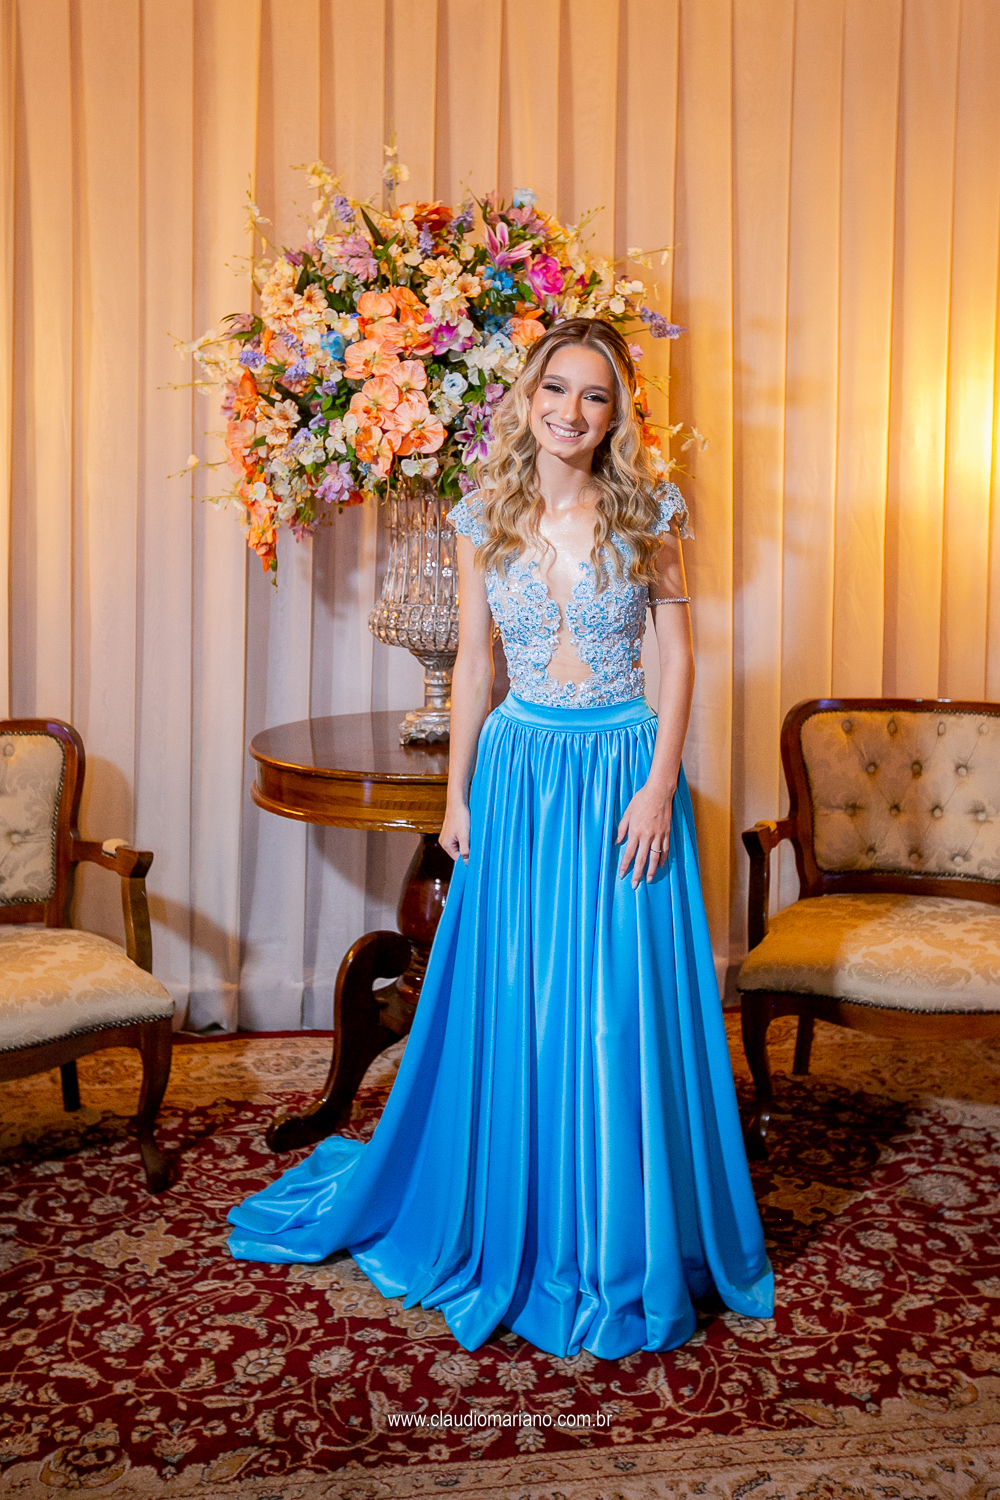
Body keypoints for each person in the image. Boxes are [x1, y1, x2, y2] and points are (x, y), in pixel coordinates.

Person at [227, 317, 774, 1359]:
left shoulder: (650, 509)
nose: (572, 411)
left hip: (621, 772)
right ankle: (514, 1205)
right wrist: (458, 799)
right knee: (519, 993)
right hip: (521, 777)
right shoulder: (485, 513)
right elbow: (476, 665)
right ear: (528, 398)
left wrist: (660, 785)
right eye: (555, 389)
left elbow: (678, 659)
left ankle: (619, 1228)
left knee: (616, 1007)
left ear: (616, 413)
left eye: (595, 395)